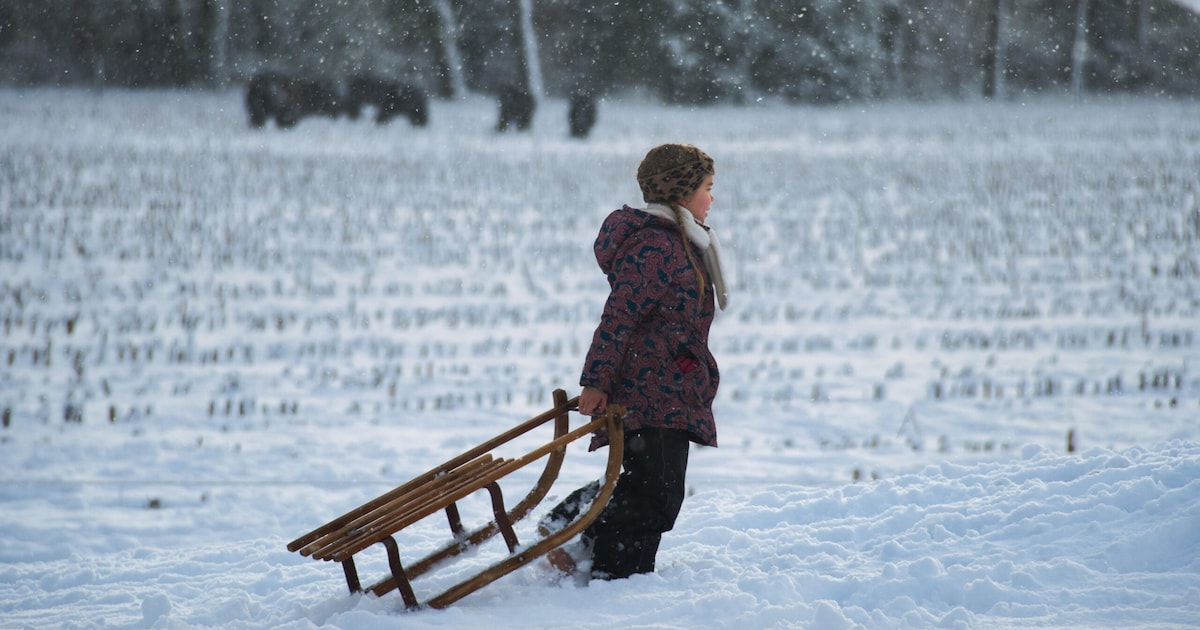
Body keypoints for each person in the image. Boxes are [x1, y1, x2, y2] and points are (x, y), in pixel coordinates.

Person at [542, 143, 729, 581]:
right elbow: (619, 316)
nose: (712, 197)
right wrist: (596, 381)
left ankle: (608, 560)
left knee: (656, 490)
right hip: (650, 388)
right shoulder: (655, 247)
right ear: (682, 194)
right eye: (707, 187)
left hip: (671, 385)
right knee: (656, 493)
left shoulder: (680, 240)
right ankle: (587, 546)